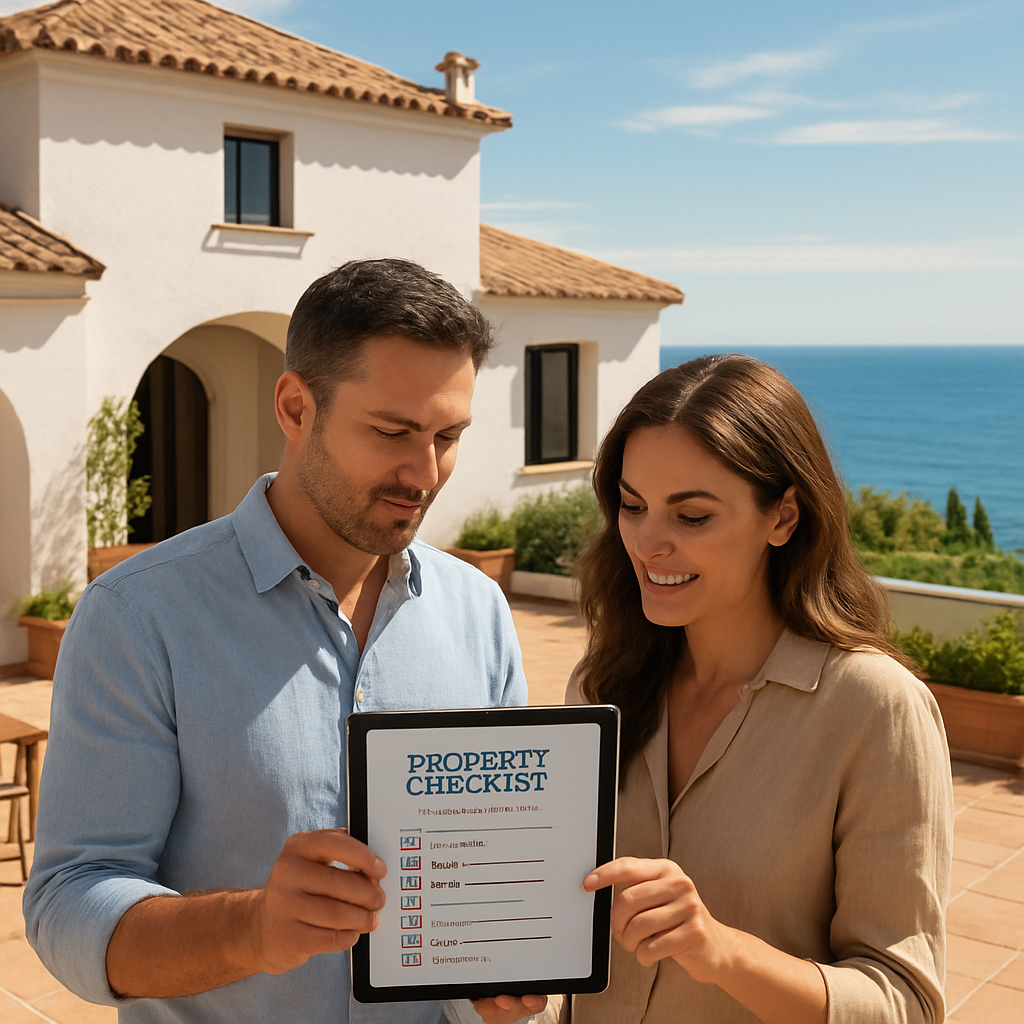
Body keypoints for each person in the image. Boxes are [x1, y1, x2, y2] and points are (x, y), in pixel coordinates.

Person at [24, 259, 548, 1024]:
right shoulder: (139, 616)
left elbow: (487, 888)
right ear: (296, 407)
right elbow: (69, 906)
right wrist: (252, 927)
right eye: (393, 431)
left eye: (449, 436)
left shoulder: (480, 610)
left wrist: (496, 983)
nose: (424, 472)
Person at [565, 354, 952, 1024]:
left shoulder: (875, 708)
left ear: (784, 517)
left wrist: (721, 951)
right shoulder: (602, 684)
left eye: (692, 517)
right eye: (632, 506)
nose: (648, 543)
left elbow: (906, 1004)